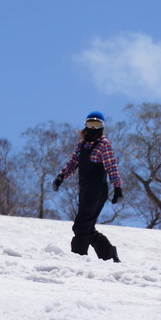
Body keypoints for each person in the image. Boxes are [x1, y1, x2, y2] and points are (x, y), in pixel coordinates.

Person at [52, 111, 123, 262]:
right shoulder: (82, 144)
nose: (92, 127)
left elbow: (112, 167)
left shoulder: (104, 144)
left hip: (97, 191)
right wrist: (61, 176)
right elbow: (73, 163)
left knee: (81, 226)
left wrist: (117, 188)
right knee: (87, 227)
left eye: (96, 124)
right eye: (90, 124)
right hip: (85, 191)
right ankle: (109, 255)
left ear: (102, 127)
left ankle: (78, 258)